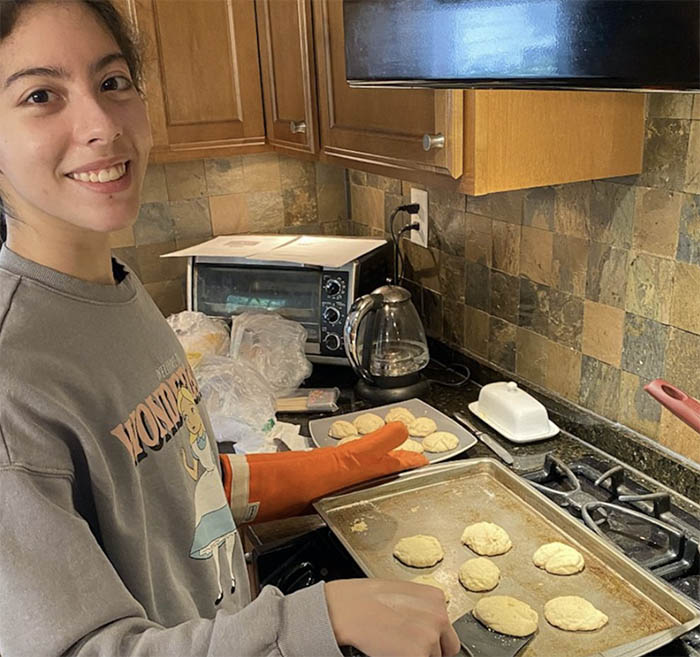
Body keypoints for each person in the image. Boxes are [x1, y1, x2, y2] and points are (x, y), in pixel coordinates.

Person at [0, 1, 462, 656]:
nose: (100, 123)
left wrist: (332, 466)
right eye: (41, 95)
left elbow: (180, 488)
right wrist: (311, 621)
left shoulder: (116, 294)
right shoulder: (15, 374)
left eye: (112, 82)